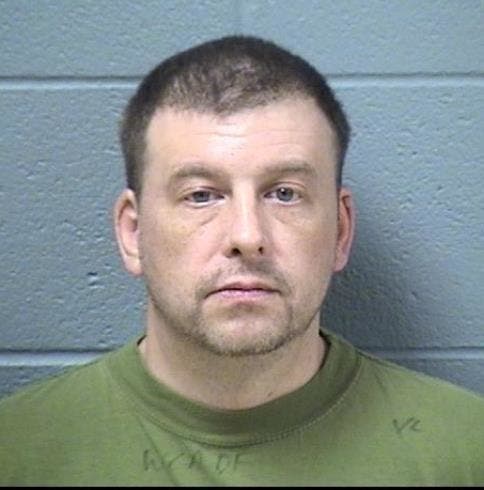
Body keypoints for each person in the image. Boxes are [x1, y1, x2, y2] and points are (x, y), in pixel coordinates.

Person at [0, 35, 482, 486]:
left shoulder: (464, 452)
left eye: (285, 194)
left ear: (340, 231)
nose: (248, 237)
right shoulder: (17, 453)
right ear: (133, 233)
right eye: (201, 195)